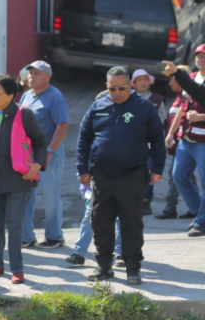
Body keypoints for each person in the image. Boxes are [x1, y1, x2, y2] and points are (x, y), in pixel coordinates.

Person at [77, 67, 165, 285]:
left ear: (130, 85)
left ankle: (133, 268)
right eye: (112, 88)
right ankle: (104, 267)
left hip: (133, 175)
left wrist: (158, 168)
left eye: (121, 88)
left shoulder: (144, 107)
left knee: (131, 224)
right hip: (102, 176)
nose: (117, 93)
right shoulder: (98, 106)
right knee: (100, 222)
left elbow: (157, 138)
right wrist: (82, 169)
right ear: (107, 86)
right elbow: (84, 138)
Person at [0, 74, 47, 285]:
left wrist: (38, 165)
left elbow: (40, 142)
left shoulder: (25, 115)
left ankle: (17, 268)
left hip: (18, 180)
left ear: (11, 96)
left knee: (15, 225)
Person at [20, 61, 69, 249]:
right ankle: (26, 236)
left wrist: (50, 151)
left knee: (50, 197)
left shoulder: (55, 97)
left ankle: (54, 237)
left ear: (48, 76)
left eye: (37, 73)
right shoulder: (26, 96)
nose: (32, 76)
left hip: (49, 153)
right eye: (30, 73)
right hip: (28, 155)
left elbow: (63, 125)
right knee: (26, 195)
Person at [162, 57, 205, 237]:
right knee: (178, 176)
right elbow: (182, 107)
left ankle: (201, 221)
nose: (200, 59)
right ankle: (200, 215)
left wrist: (200, 118)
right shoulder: (192, 77)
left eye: (204, 56)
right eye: (199, 56)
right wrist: (171, 132)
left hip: (202, 140)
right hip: (186, 139)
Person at [157, 66, 197, 220]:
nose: (169, 83)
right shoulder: (180, 97)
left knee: (176, 175)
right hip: (178, 145)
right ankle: (196, 208)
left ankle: (170, 208)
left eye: (171, 78)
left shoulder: (190, 97)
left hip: (186, 143)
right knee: (186, 177)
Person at [130, 69, 166, 216]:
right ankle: (131, 200)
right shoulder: (128, 99)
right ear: (133, 84)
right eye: (139, 80)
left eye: (145, 79)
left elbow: (163, 119)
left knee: (149, 171)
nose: (143, 82)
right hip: (131, 144)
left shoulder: (157, 99)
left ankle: (146, 201)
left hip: (150, 143)